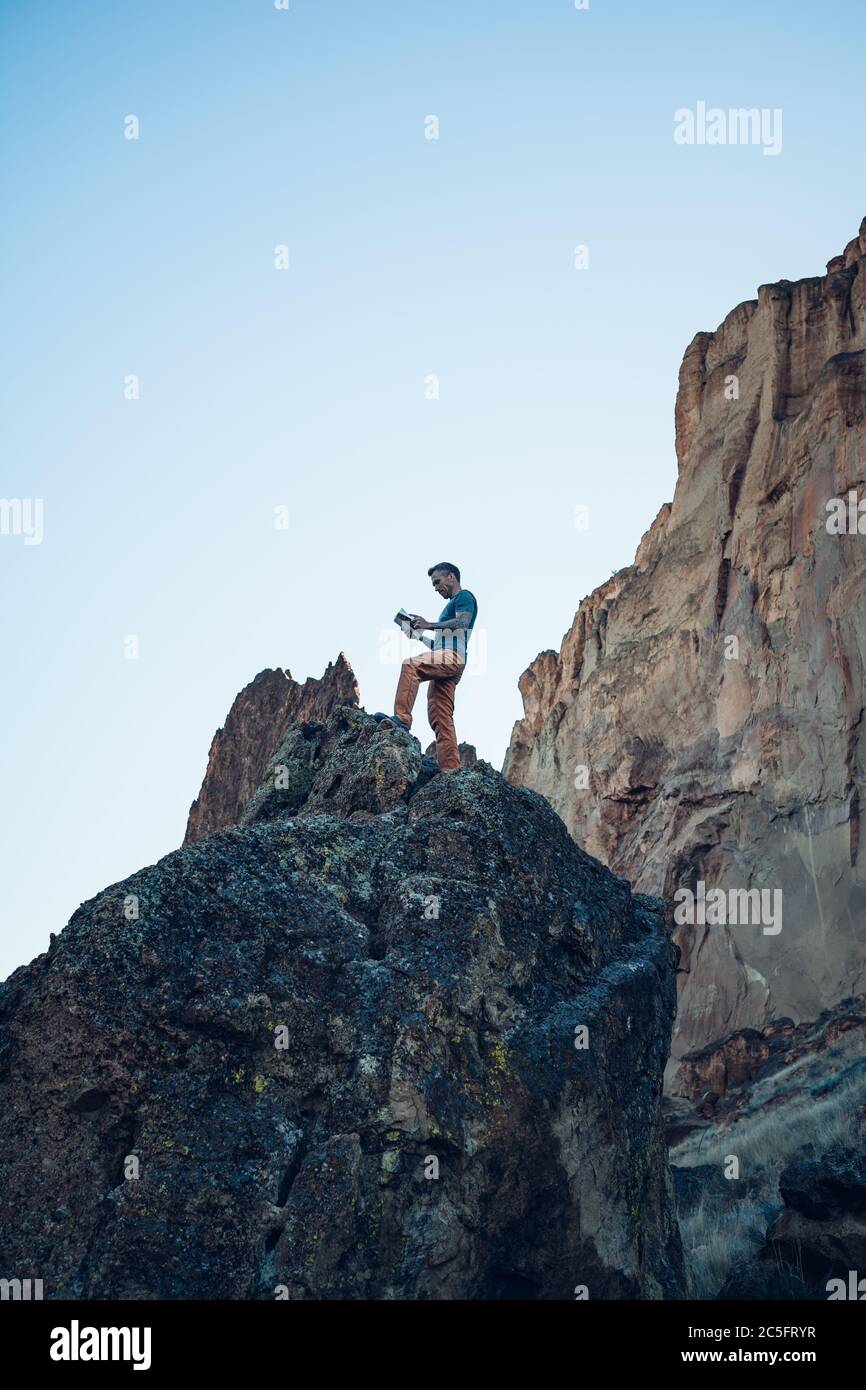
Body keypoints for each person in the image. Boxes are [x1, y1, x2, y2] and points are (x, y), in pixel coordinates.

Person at [375, 562, 478, 771]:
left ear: (451, 576)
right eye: (433, 585)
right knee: (440, 716)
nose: (436, 588)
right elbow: (439, 645)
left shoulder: (464, 596)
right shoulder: (449, 608)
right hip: (449, 658)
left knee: (411, 666)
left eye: (437, 582)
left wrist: (429, 624)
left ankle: (402, 719)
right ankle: (450, 770)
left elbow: (463, 622)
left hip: (452, 657)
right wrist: (418, 636)